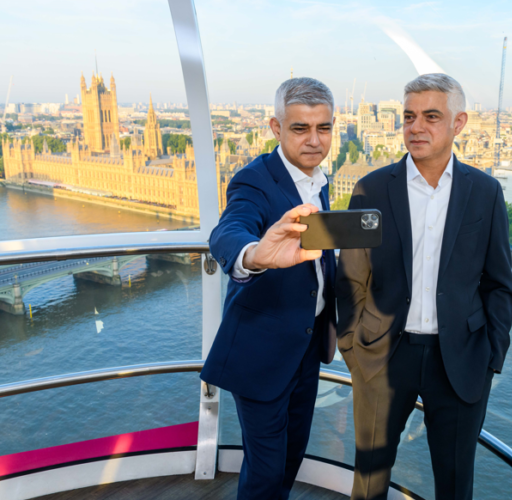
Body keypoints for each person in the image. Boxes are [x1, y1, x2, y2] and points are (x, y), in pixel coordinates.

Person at [336, 73, 512, 500]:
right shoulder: (370, 189)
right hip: (382, 356)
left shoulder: (486, 193)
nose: (416, 127)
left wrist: (491, 356)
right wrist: (353, 350)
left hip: (460, 359)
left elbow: (499, 283)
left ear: (459, 123)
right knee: (368, 481)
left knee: (455, 484)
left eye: (431, 117)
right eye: (409, 117)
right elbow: (351, 278)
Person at [201, 77, 337, 500]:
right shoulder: (253, 180)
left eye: (324, 128)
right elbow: (229, 230)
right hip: (261, 352)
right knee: (265, 471)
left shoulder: (318, 179)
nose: (314, 140)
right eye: (300, 128)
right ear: (276, 128)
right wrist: (255, 255)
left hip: (306, 345)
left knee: (291, 456)